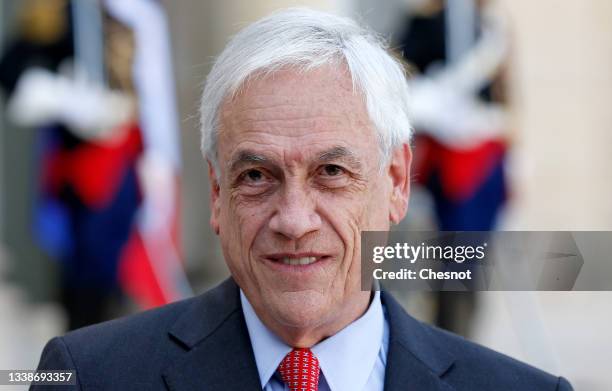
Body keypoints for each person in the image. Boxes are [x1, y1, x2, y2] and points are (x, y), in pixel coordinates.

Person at [33, 8, 572, 391]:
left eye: (332, 172)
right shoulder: (88, 378)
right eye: (257, 176)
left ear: (397, 182)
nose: (293, 220)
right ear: (217, 195)